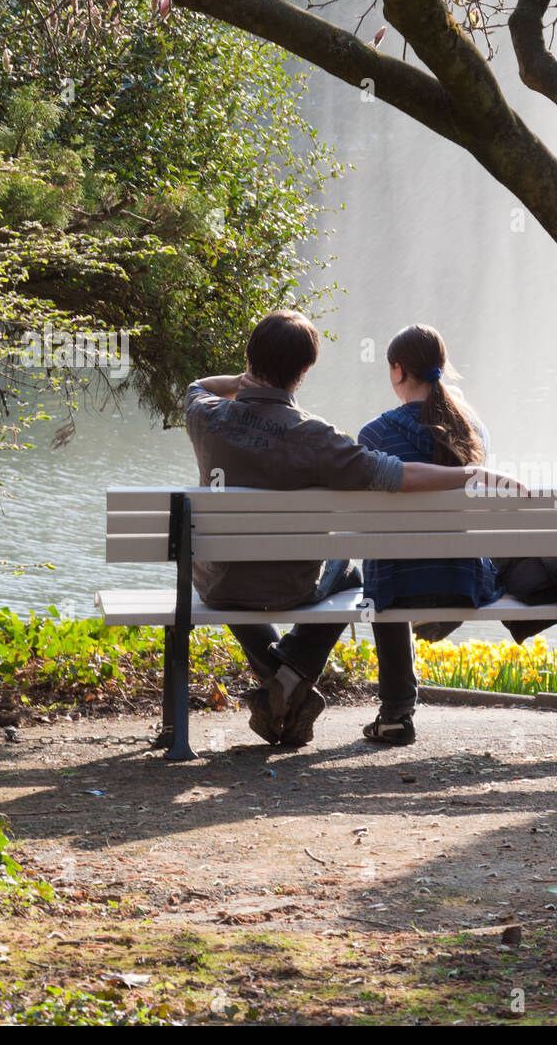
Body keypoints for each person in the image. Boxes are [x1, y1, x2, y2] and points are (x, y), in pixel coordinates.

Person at [184, 310, 519, 748]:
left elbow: (195, 388)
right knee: (349, 570)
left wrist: (241, 380)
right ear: (303, 374)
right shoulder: (317, 437)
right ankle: (290, 678)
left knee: (235, 570)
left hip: (219, 582)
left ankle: (283, 681)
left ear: (249, 359)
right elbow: (396, 475)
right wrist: (468, 475)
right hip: (291, 585)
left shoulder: (206, 416)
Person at [356, 324, 502, 746]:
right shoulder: (475, 431)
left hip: (399, 584)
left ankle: (396, 713)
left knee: (381, 557)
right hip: (463, 578)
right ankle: (444, 603)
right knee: (416, 554)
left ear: (398, 371)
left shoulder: (374, 434)